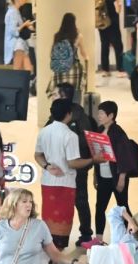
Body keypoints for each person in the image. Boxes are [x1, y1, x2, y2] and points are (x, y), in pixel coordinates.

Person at [35, 99, 94, 251]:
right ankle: (57, 259)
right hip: (65, 183)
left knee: (49, 219)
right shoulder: (70, 135)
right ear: (69, 114)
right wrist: (93, 160)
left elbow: (37, 155)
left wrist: (47, 166)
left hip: (48, 182)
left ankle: (51, 256)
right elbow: (73, 163)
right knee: (63, 220)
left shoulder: (44, 131)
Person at [92, 101, 138, 237]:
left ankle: (133, 234)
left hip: (117, 177)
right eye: (99, 113)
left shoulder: (118, 133)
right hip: (103, 176)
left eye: (101, 113)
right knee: (100, 207)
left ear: (111, 115)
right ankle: (99, 237)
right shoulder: (99, 131)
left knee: (123, 205)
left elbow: (125, 156)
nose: (99, 115)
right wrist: (96, 175)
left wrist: (122, 178)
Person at [48, 15, 89, 103]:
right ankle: (74, 114)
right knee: (75, 95)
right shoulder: (78, 36)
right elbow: (83, 53)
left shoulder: (57, 36)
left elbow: (52, 53)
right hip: (74, 70)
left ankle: (60, 114)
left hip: (60, 71)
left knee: (60, 95)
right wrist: (87, 58)